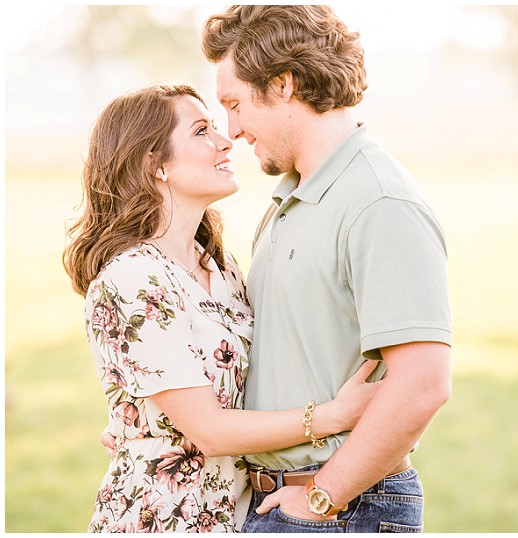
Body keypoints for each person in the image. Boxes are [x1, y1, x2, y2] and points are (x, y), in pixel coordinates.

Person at [62, 84, 382, 533]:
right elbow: (208, 431)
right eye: (201, 131)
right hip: (164, 518)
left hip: (234, 514)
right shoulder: (132, 277)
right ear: (155, 165)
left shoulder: (220, 267)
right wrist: (335, 415)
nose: (225, 140)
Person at [201, 5, 452, 533]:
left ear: (284, 84)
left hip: (338, 509)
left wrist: (320, 499)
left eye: (235, 104)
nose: (233, 129)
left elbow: (424, 383)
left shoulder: (378, 200)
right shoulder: (291, 198)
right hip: (276, 502)